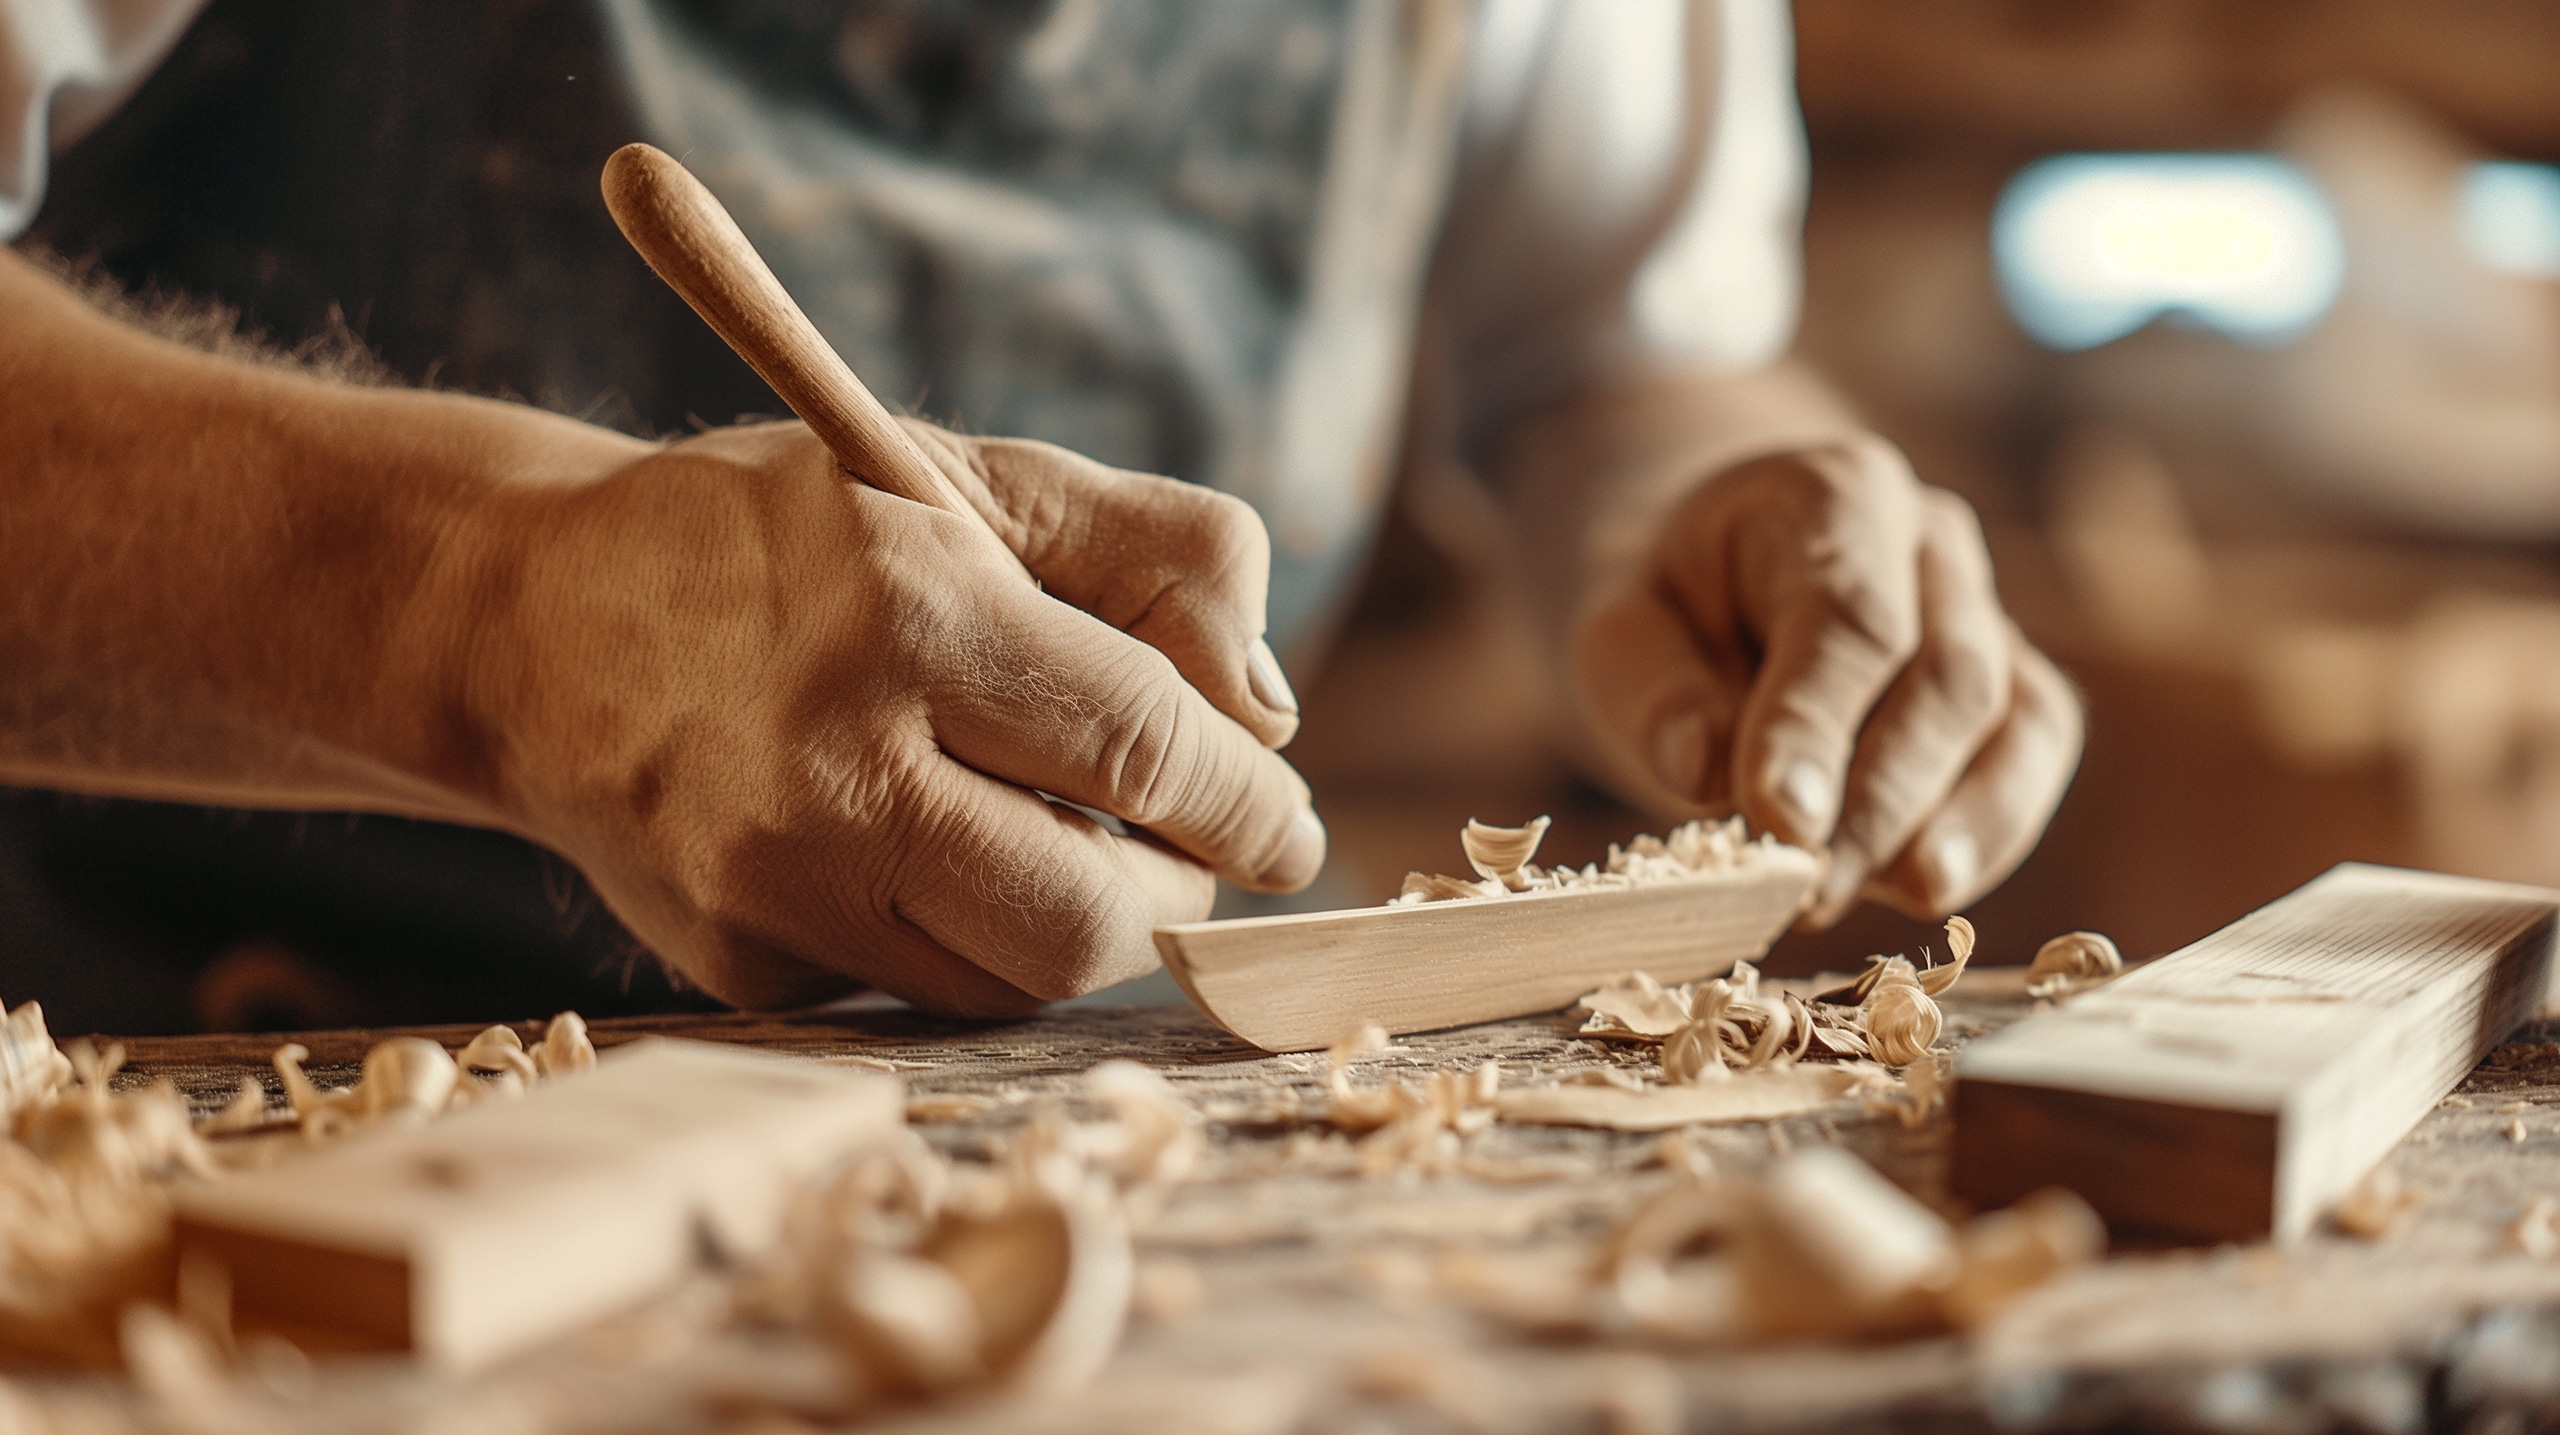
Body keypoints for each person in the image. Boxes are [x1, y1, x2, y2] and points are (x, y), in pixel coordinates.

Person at [0, 0, 2081, 1022]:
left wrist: (1693, 502)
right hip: (192, 1108)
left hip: (1099, 1128)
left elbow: (1617, 352)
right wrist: (482, 612)